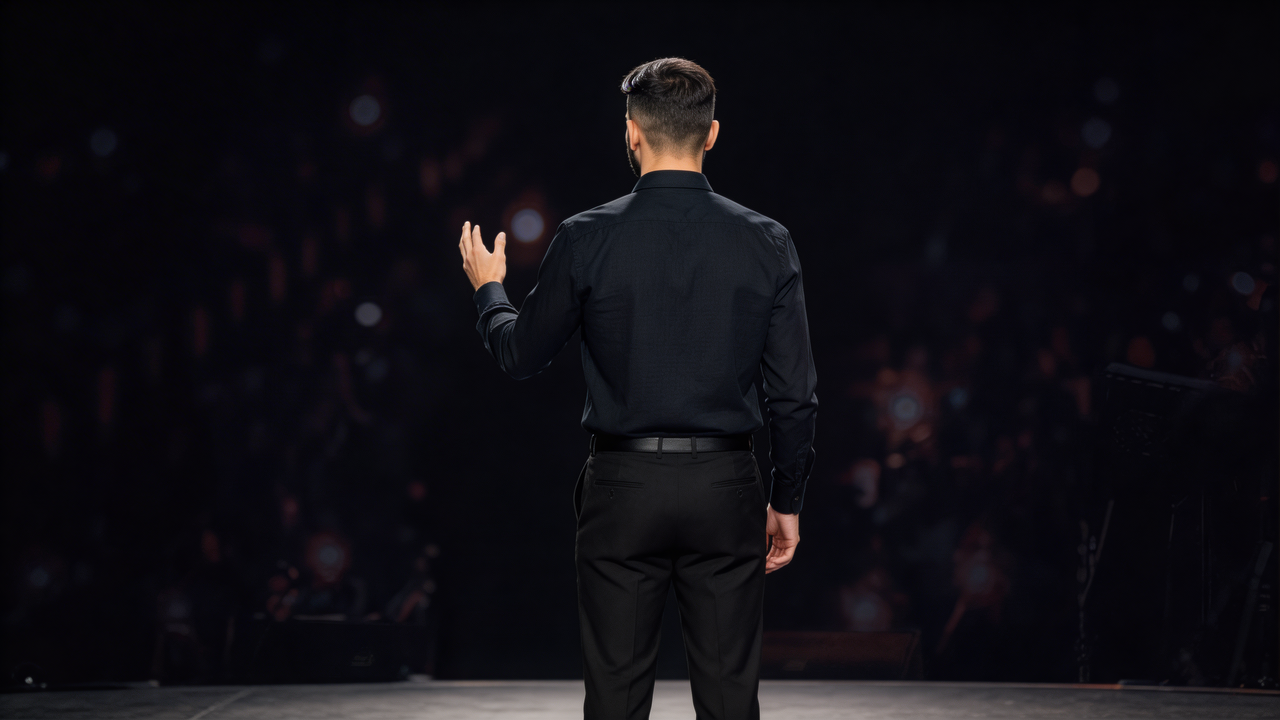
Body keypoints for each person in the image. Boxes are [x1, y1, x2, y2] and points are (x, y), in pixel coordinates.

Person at [458, 57, 817, 720]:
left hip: (622, 488)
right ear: (711, 135)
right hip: (726, 485)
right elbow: (794, 395)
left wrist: (489, 289)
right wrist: (785, 500)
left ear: (631, 133)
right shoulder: (767, 241)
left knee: (616, 699)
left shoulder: (586, 236)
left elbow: (518, 354)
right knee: (730, 699)